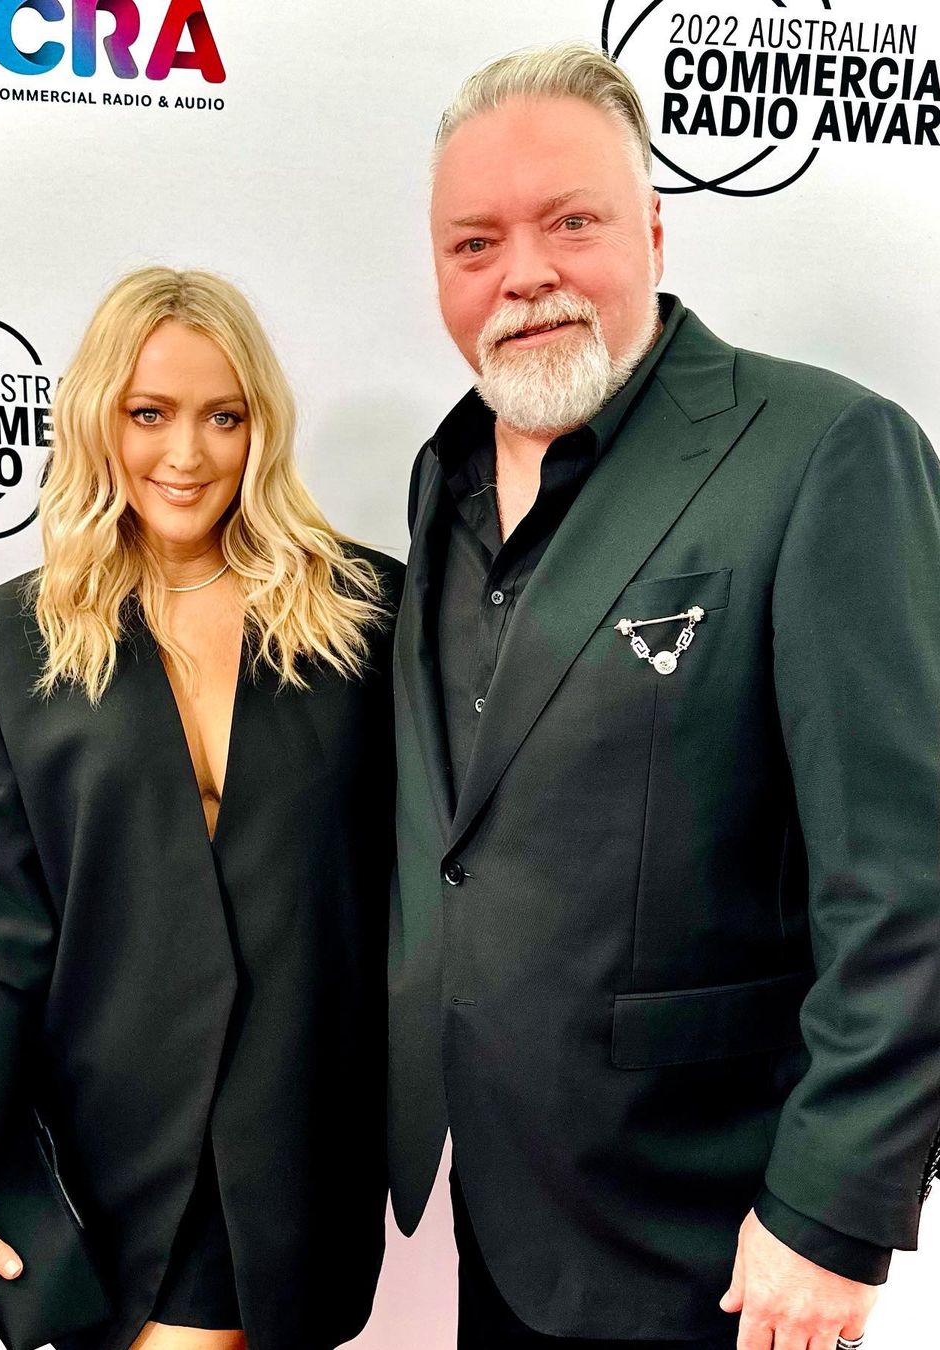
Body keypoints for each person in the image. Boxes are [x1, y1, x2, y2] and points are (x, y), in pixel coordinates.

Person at [388, 42, 940, 1350]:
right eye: (475, 243)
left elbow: (909, 876)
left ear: (650, 223)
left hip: (722, 1240)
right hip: (508, 1212)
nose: (522, 274)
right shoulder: (445, 478)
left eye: (569, 222)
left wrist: (833, 1208)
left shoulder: (823, 453)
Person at [0, 266, 403, 1350]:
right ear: (96, 419)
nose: (187, 455)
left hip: (305, 1125)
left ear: (264, 425)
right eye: (148, 414)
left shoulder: (367, 614)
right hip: (117, 1139)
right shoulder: (11, 639)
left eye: (224, 416)